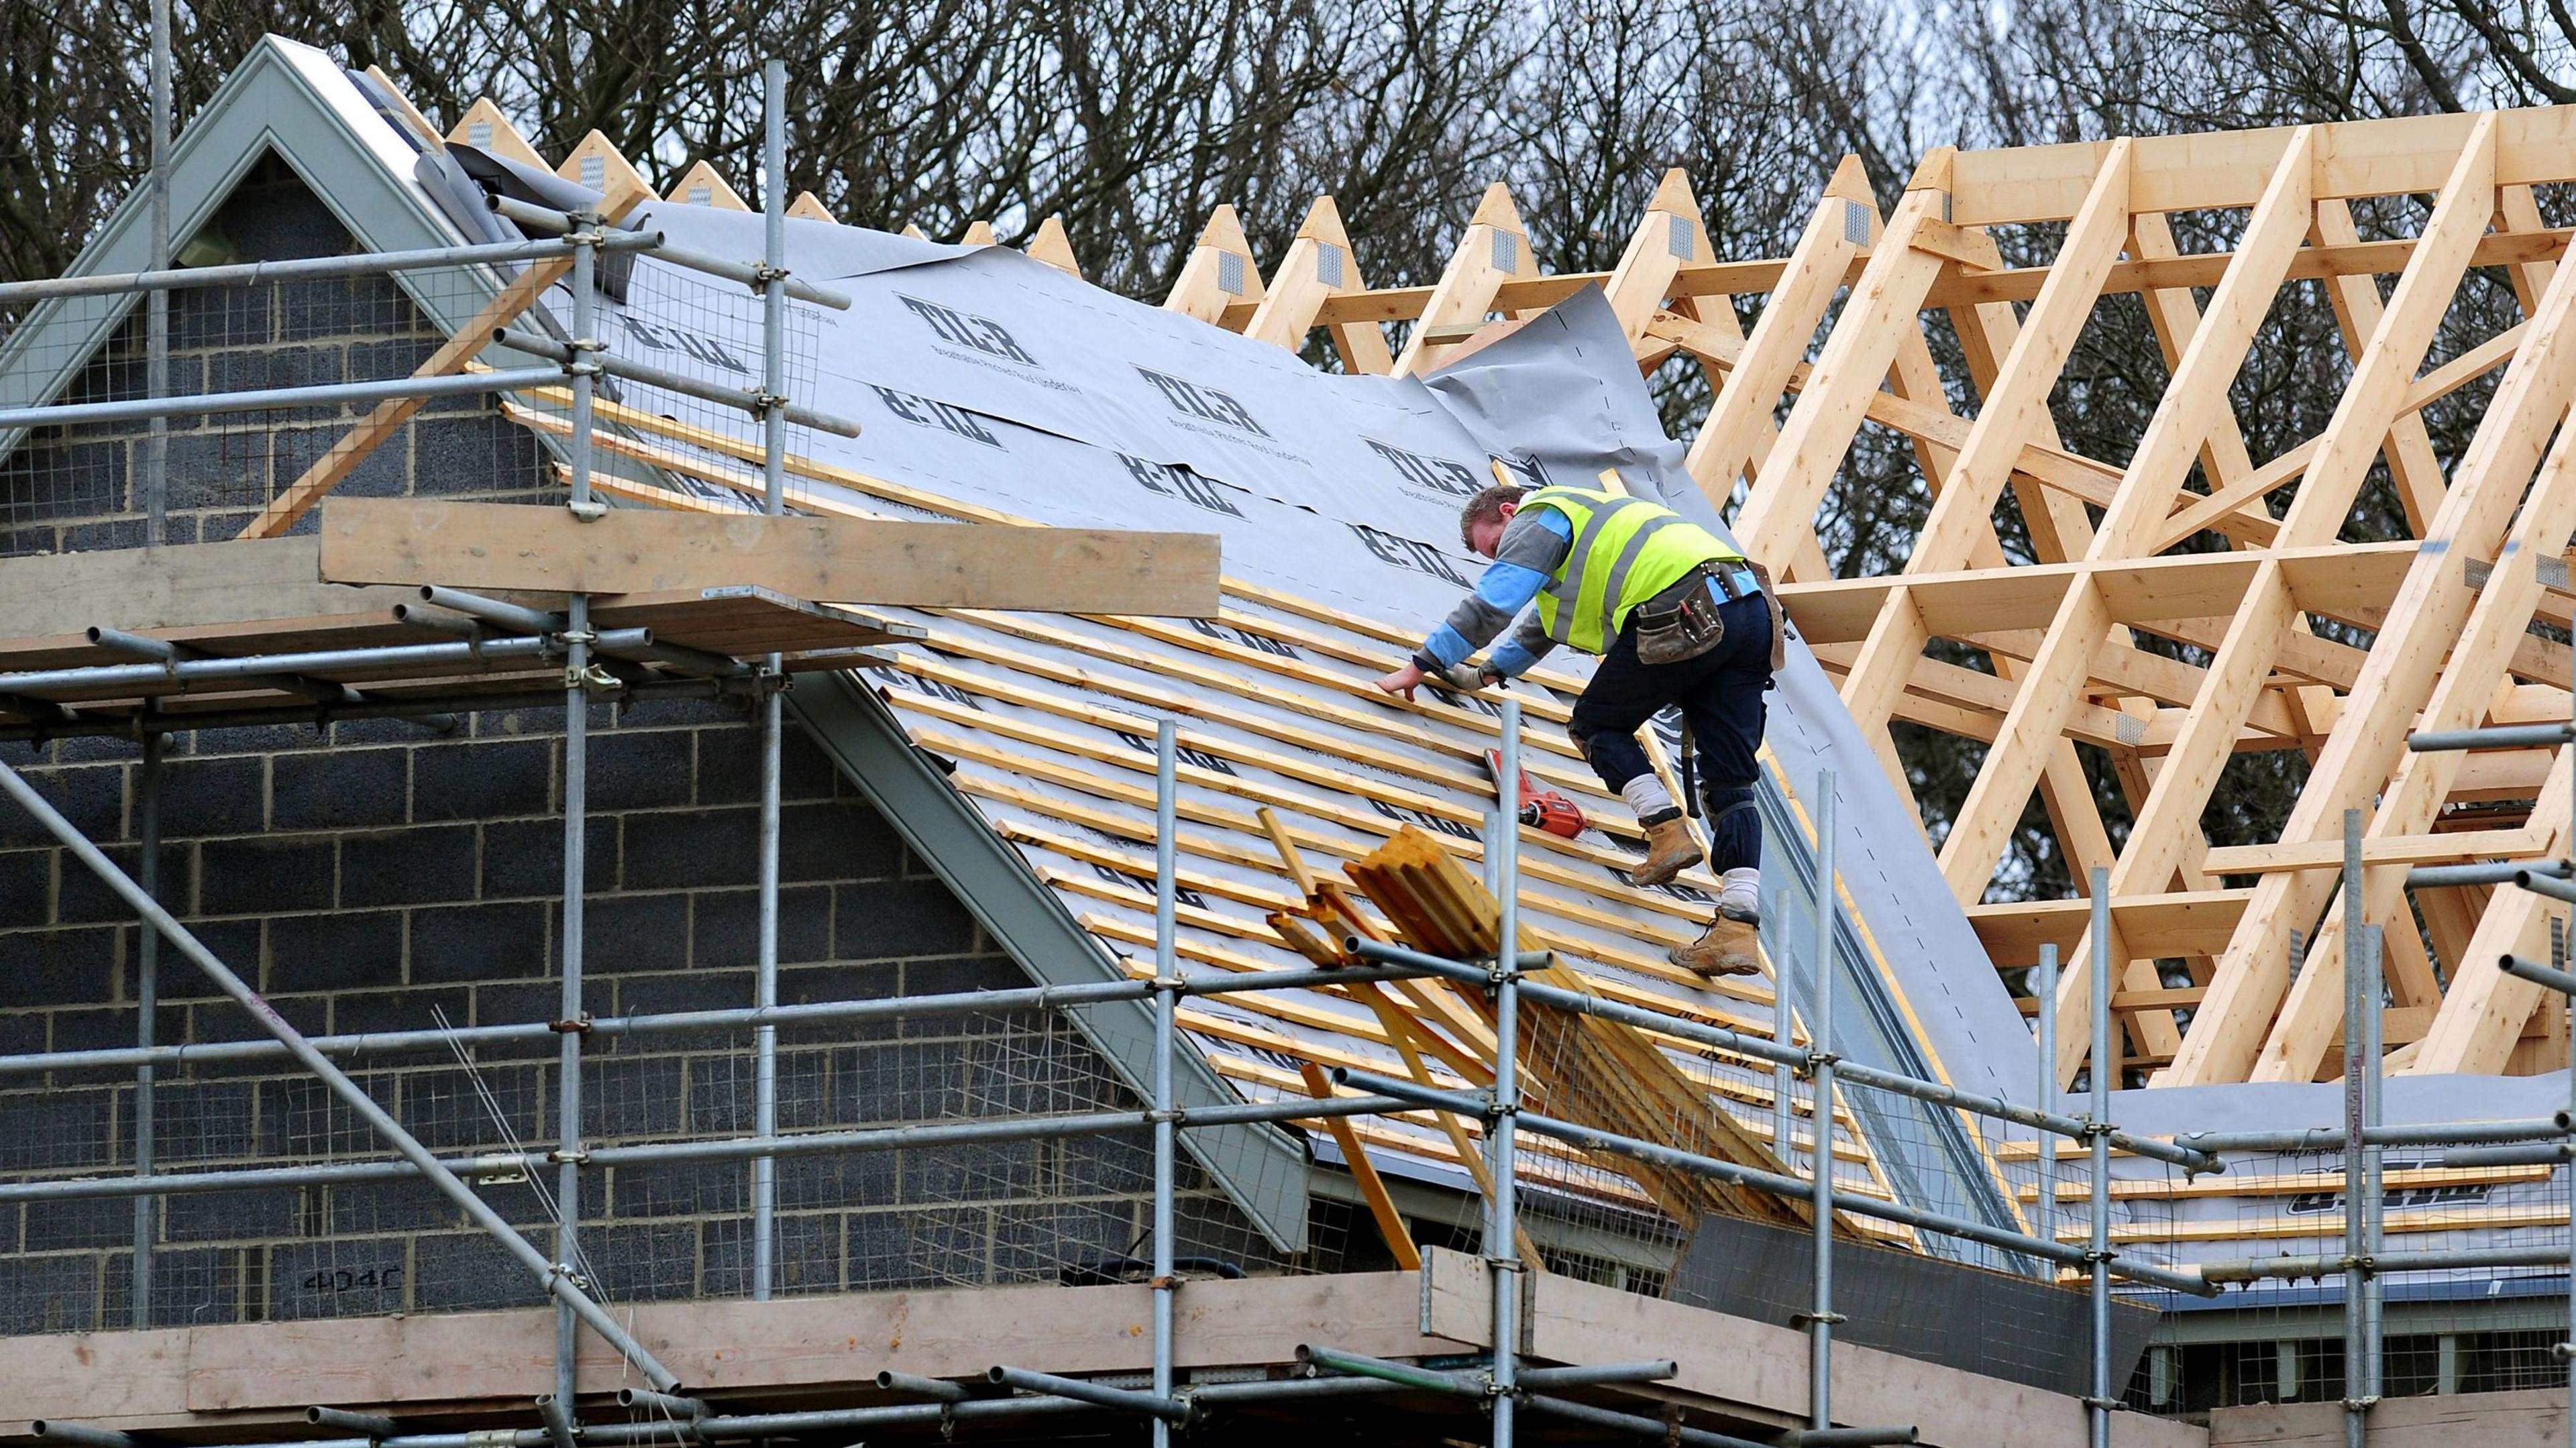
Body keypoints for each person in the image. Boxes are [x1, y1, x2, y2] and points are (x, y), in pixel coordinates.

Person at [1373, 480, 1782, 977]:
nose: (1501, 559)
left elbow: (1493, 605)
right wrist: (1485, 673)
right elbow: (1544, 625)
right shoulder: (1592, 526)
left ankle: (1666, 831)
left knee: (1595, 725)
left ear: (1509, 511)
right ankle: (1738, 927)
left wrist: (1421, 663)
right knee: (1732, 785)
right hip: (1751, 608)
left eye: (1497, 547)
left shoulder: (1542, 515)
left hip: (1685, 605)